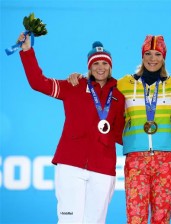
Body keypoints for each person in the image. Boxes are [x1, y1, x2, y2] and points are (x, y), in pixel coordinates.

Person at [67, 28, 171, 223]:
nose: (153, 58)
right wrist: (81, 77)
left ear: (164, 57)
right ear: (142, 56)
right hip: (136, 159)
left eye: (158, 54)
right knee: (136, 219)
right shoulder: (124, 83)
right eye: (148, 54)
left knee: (161, 219)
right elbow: (101, 83)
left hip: (167, 160)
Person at [18, 32, 125, 224]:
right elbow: (38, 83)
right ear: (89, 67)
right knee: (69, 220)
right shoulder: (73, 85)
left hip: (103, 168)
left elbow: (121, 134)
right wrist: (27, 51)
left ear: (110, 67)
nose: (100, 68)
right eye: (95, 63)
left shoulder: (118, 97)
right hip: (70, 164)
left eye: (104, 63)